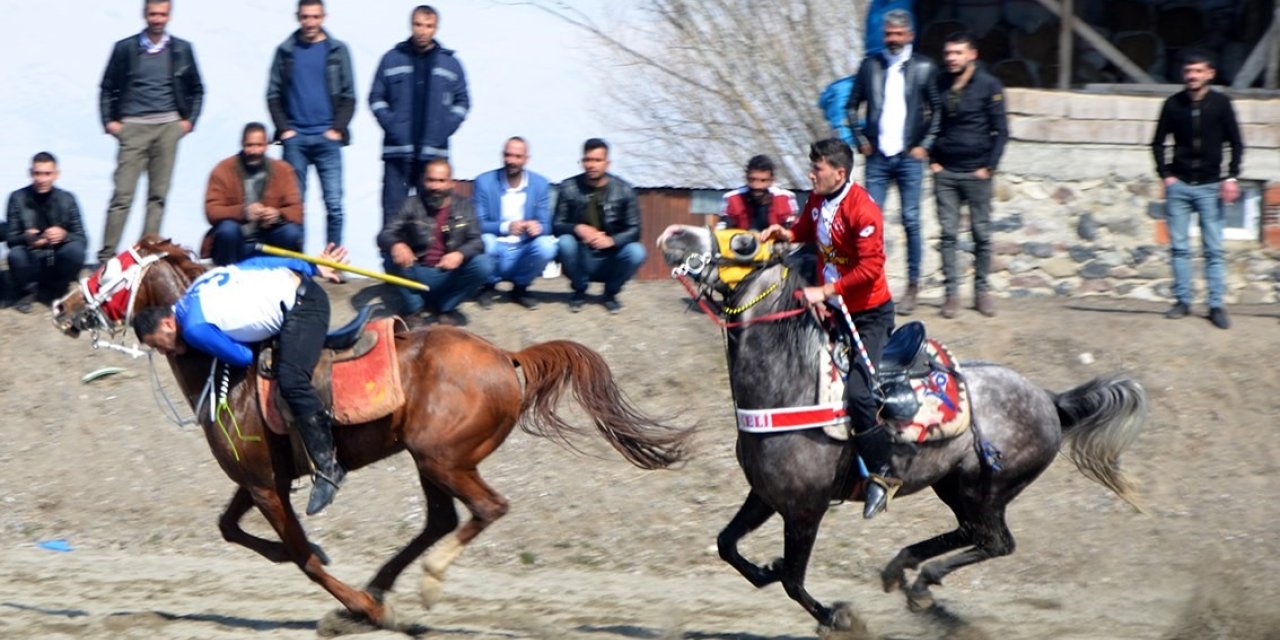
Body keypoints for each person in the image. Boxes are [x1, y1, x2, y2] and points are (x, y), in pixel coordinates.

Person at [131, 245, 349, 515]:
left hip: (304, 308)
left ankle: (329, 467)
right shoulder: (196, 288)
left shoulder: (195, 330)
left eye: (159, 345)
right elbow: (256, 262)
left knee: (292, 381)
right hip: (300, 286)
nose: (164, 352)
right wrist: (313, 266)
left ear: (167, 323)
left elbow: (243, 357)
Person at [760, 138, 899, 520]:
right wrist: (785, 234)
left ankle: (883, 475)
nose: (810, 173)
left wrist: (825, 290)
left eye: (817, 168)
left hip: (868, 316)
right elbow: (806, 229)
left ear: (839, 173)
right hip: (833, 310)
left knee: (858, 394)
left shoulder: (864, 210)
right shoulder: (819, 199)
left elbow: (871, 268)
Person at [847, 9, 941, 315]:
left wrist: (925, 145)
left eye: (899, 34)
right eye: (889, 34)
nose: (893, 39)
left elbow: (937, 110)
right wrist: (861, 140)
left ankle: (912, 286)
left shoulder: (925, 68)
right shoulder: (870, 66)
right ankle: (871, 284)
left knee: (912, 220)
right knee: (870, 224)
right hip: (877, 158)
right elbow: (852, 107)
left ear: (910, 36)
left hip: (908, 157)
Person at [97, 0, 204, 264]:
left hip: (168, 127)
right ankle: (107, 256)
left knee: (157, 195)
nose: (157, 19)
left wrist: (187, 122)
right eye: (153, 13)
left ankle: (145, 254)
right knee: (123, 194)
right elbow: (108, 86)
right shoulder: (126, 49)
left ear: (169, 16)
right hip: (133, 126)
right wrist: (110, 122)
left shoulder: (181, 49)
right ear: (145, 15)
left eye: (162, 14)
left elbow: (197, 88)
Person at [1152, 50, 1243, 330]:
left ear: (1210, 74)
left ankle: (1215, 306)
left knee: (1213, 249)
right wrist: (1166, 175)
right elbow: (1157, 143)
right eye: (1188, 71)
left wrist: (1231, 177)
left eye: (1198, 71)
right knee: (1179, 248)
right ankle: (1182, 301)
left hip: (1210, 186)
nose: (1192, 76)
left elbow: (1236, 143)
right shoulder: (1173, 104)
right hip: (1179, 185)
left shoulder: (1221, 104)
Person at [369, 5, 470, 226]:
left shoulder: (451, 64)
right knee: (393, 216)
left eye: (428, 26)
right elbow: (376, 98)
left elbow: (463, 102)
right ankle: (392, 260)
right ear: (411, 25)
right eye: (418, 25)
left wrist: (444, 128)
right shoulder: (392, 58)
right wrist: (392, 125)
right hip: (397, 154)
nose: (423, 30)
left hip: (434, 157)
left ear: (436, 28)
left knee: (433, 217)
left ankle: (428, 261)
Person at [267, 0, 356, 248]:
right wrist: (285, 130)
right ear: (298, 17)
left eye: (315, 17)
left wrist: (336, 129)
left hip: (328, 139)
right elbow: (273, 94)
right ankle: (299, 263)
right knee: (296, 206)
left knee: (334, 205)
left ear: (324, 17)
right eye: (305, 17)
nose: (310, 22)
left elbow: (349, 96)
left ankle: (334, 261)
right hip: (295, 140)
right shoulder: (285, 51)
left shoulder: (337, 50)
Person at [930, 32, 1007, 319]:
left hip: (978, 173)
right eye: (948, 53)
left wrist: (989, 167)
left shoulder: (989, 86)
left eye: (957, 53)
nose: (951, 58)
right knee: (948, 235)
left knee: (982, 235)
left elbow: (1002, 131)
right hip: (945, 172)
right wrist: (933, 161)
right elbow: (926, 119)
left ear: (972, 54)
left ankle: (981, 292)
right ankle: (951, 295)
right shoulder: (938, 82)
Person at [378, 159, 493, 326]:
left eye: (441, 181)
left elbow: (477, 241)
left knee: (484, 265)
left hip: (448, 273)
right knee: (389, 257)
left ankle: (446, 307)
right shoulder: (410, 204)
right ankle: (413, 308)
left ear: (451, 183)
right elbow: (385, 235)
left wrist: (460, 254)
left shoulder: (465, 206)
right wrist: (397, 245)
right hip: (416, 271)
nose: (435, 187)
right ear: (423, 181)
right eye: (431, 180)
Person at [553, 138, 646, 314]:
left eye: (597, 160)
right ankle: (579, 290)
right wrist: (577, 228)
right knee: (564, 242)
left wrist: (611, 240)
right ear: (582, 162)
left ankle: (610, 294)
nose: (591, 165)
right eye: (587, 160)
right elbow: (556, 225)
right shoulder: (568, 187)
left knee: (637, 252)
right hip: (582, 254)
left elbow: (635, 230)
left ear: (607, 163)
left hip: (611, 255)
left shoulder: (624, 189)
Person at [201, 123, 304, 266]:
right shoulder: (223, 169)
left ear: (266, 145)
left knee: (291, 233)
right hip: (236, 243)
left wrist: (278, 214)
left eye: (259, 145)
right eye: (249, 145)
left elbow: (297, 211)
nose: (254, 151)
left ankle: (286, 275)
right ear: (242, 144)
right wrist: (243, 212)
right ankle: (228, 276)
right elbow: (211, 210)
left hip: (269, 241)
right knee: (227, 230)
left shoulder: (283, 171)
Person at [473, 137, 556, 310]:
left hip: (523, 247)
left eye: (518, 156)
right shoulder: (484, 182)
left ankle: (521, 288)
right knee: (485, 240)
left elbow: (547, 226)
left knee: (547, 245)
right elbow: (477, 223)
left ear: (526, 159)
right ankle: (488, 286)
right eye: (508, 155)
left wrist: (537, 227)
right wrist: (506, 227)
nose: (511, 161)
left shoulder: (540, 184)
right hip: (497, 244)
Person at [5, 152, 88, 313]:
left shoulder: (67, 199)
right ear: (31, 173)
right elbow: (10, 239)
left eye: (47, 174)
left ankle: (60, 288)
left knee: (75, 250)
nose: (42, 179)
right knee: (15, 254)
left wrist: (64, 235)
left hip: (57, 260)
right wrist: (27, 238)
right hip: (31, 261)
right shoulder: (17, 198)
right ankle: (28, 291)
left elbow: (82, 239)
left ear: (56, 175)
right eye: (37, 173)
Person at [718, 155, 798, 232]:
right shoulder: (732, 199)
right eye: (752, 180)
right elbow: (722, 232)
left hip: (777, 243)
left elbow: (794, 231)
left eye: (763, 180)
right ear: (746, 177)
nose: (756, 186)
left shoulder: (784, 198)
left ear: (771, 180)